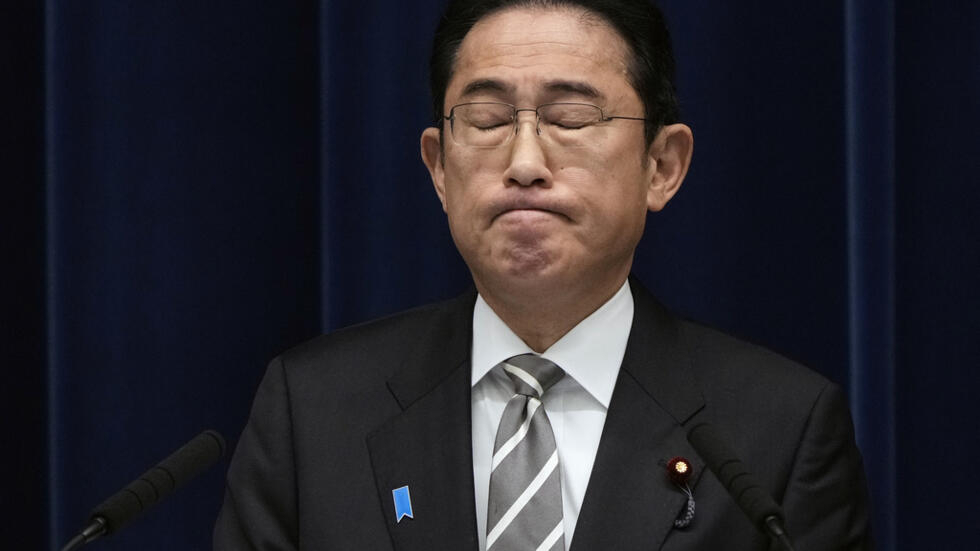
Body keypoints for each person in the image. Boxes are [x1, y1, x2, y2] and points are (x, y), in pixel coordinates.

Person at [214, 0, 873, 549]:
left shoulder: (779, 432)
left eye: (570, 119)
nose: (525, 162)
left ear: (662, 165)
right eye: (488, 120)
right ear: (438, 167)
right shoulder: (313, 412)